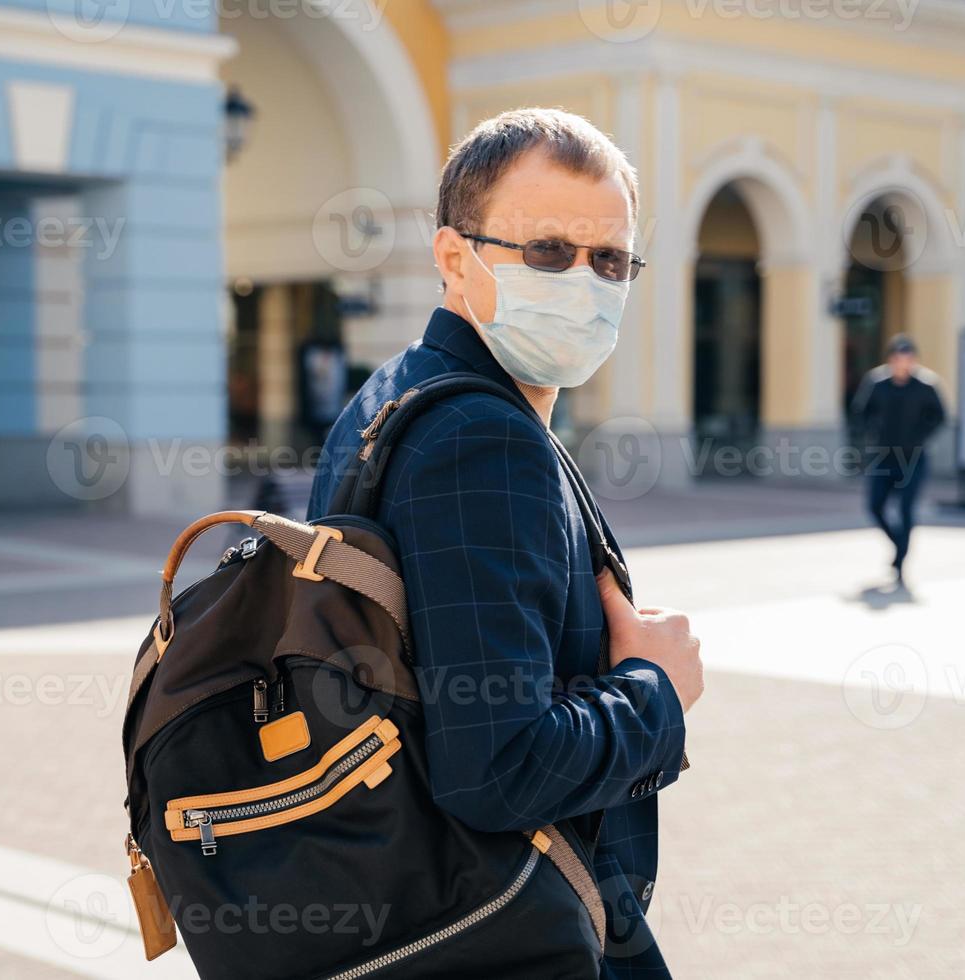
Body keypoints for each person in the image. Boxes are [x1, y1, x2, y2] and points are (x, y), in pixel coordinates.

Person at [308, 108, 702, 978]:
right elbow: (497, 769)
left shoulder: (391, 397)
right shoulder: (480, 440)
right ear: (455, 258)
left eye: (611, 261)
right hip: (511, 929)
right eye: (551, 253)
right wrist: (656, 687)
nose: (587, 283)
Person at [851, 334, 946, 583]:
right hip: (884, 457)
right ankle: (898, 545)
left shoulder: (925, 385)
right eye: (897, 358)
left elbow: (939, 416)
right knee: (875, 506)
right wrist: (871, 432)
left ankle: (901, 563)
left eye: (907, 358)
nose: (902, 363)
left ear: (913, 360)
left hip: (913, 458)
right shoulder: (877, 383)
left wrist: (920, 436)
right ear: (890, 360)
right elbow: (860, 412)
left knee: (906, 508)